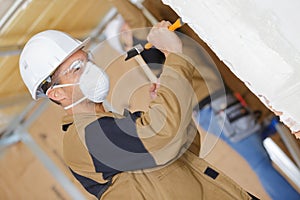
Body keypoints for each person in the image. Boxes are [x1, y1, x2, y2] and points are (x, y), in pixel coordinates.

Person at [19, 21, 256, 199]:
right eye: (77, 67)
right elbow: (165, 137)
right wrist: (173, 58)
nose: (90, 69)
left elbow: (184, 149)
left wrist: (169, 96)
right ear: (56, 93)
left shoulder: (115, 123)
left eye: (88, 60)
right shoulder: (84, 138)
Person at [105, 1, 300, 199]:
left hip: (210, 110)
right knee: (260, 164)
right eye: (124, 30)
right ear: (126, 45)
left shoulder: (152, 56)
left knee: (260, 163)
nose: (128, 27)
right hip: (214, 107)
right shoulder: (148, 46)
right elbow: (135, 18)